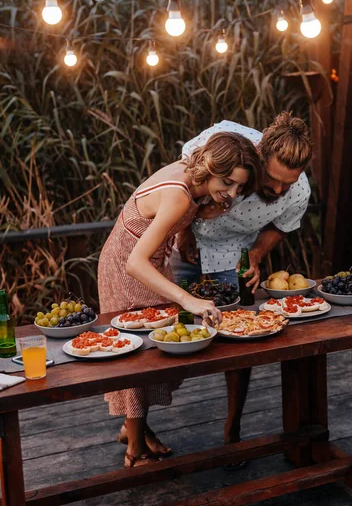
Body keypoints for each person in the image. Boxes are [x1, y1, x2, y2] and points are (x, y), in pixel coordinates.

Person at [98, 131, 261, 468]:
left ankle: (134, 430)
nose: (231, 194)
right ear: (212, 165)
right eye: (228, 182)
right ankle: (135, 451)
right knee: (139, 353)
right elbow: (134, 262)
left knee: (158, 350)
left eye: (239, 188)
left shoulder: (193, 180)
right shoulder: (180, 196)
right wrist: (188, 300)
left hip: (150, 263)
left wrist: (188, 230)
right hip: (129, 266)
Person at [171, 112, 313, 450]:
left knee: (238, 339)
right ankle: (137, 424)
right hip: (183, 244)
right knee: (166, 332)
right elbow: (184, 179)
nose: (279, 190)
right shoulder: (224, 137)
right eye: (273, 179)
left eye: (287, 184)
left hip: (230, 253)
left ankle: (232, 430)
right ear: (258, 154)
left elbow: (282, 225)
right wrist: (183, 227)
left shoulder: (298, 189)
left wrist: (255, 256)